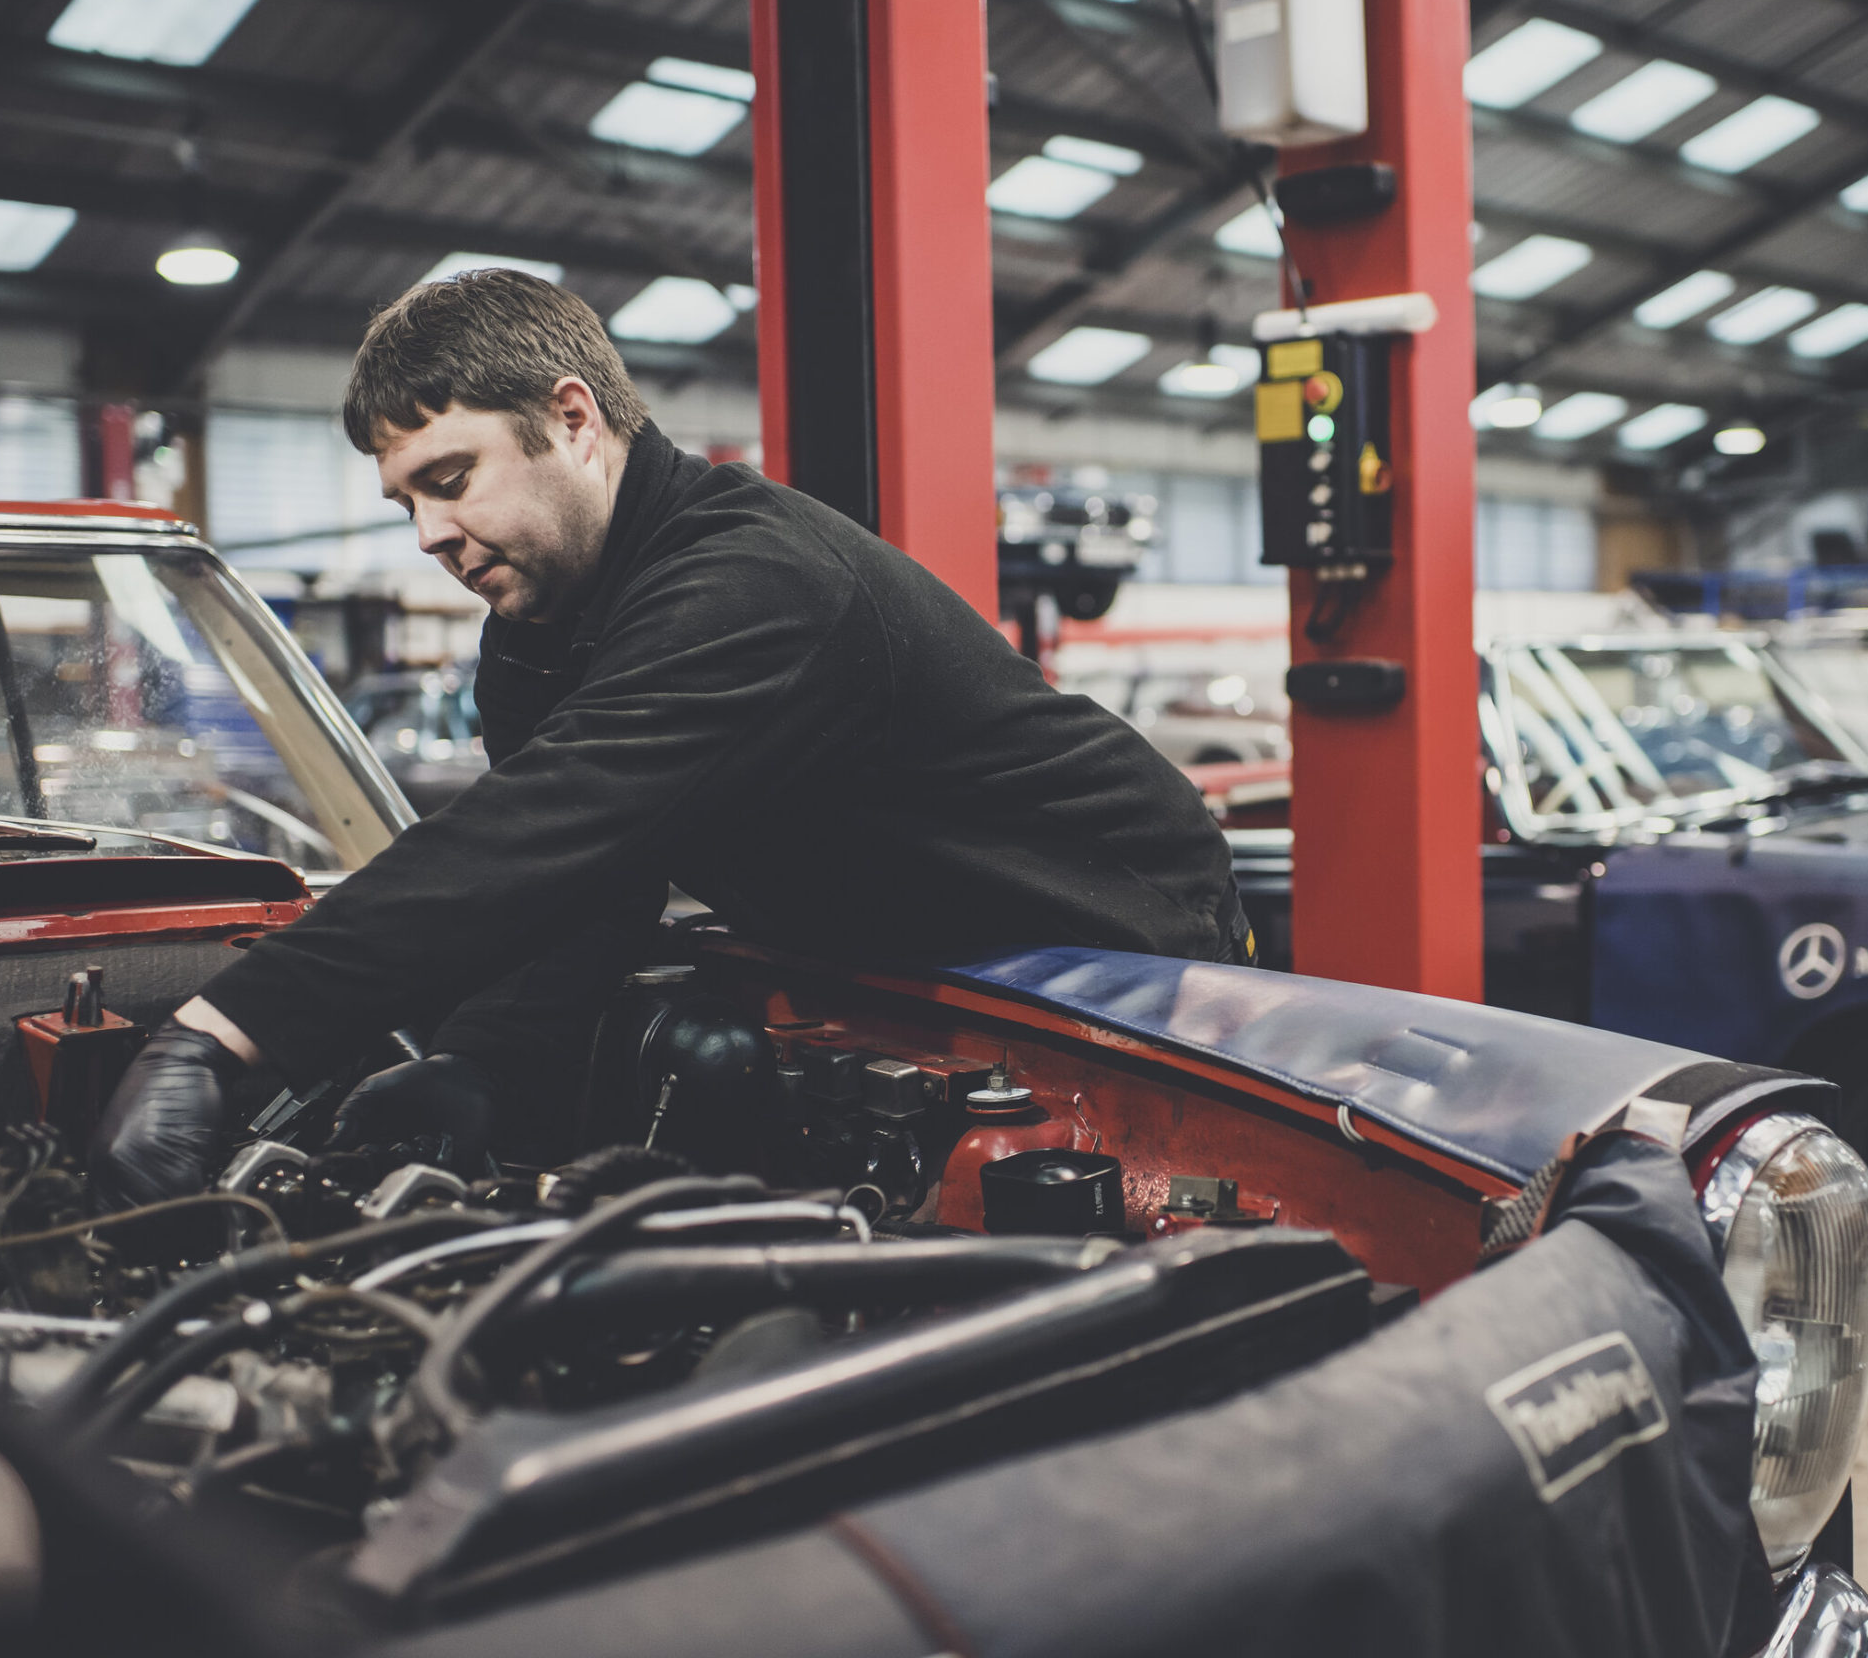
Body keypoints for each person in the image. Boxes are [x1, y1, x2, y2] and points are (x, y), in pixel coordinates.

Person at [93, 270, 1246, 1204]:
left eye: (450, 479)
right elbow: (582, 882)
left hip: (1110, 948)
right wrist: (476, 1066)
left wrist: (230, 1032)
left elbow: (544, 823)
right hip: (901, 969)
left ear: (573, 419)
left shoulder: (755, 581)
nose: (431, 534)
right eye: (407, 503)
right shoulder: (539, 624)